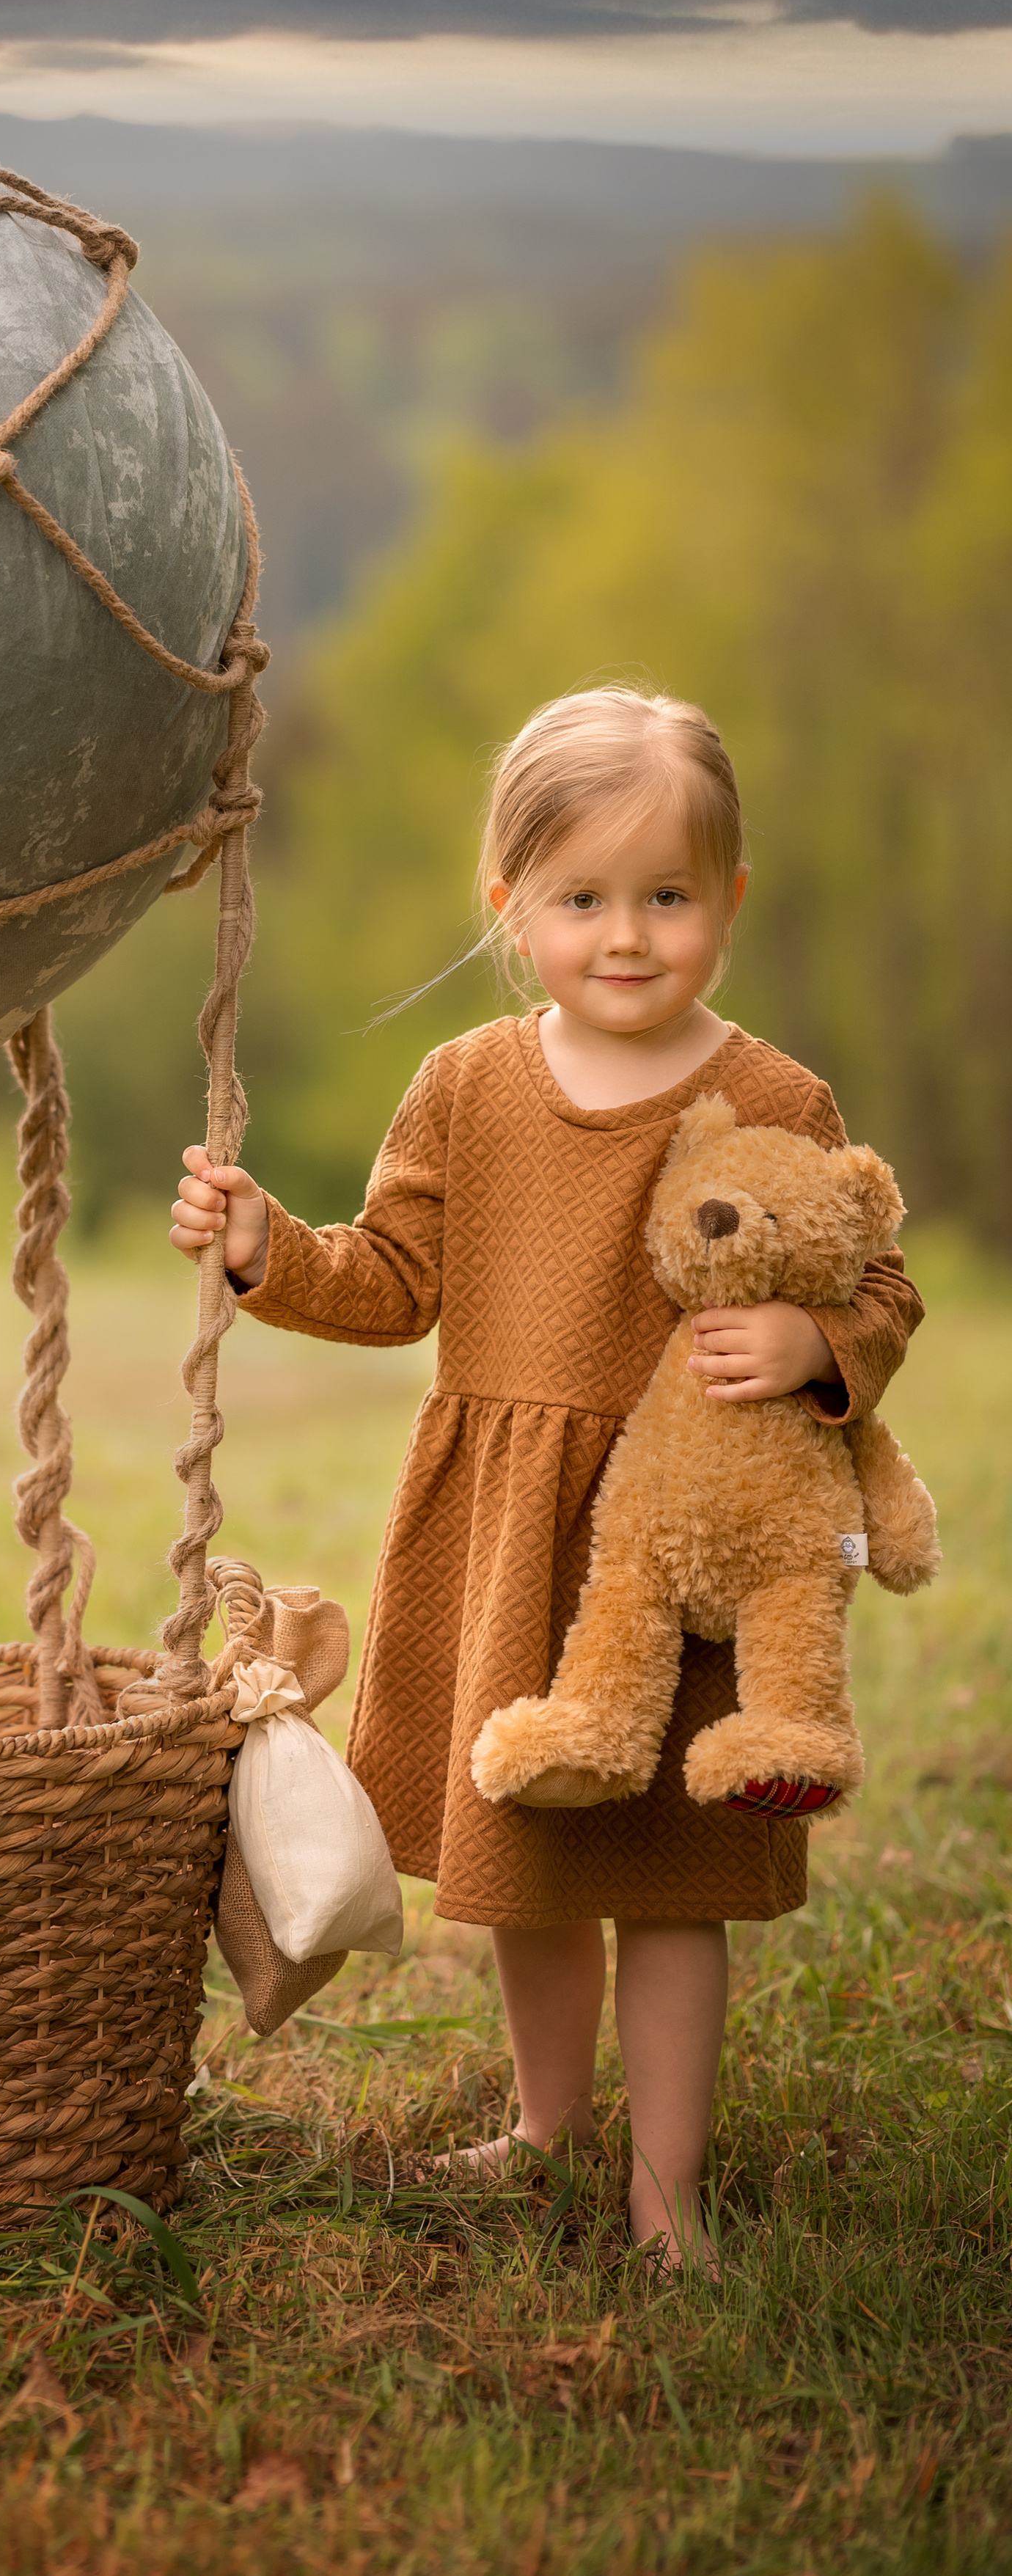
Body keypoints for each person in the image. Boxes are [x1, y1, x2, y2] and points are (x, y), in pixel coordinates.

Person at [169, 685, 922, 2268]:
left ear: (728, 898)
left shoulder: (776, 1100)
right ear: (510, 909)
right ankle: (539, 2127)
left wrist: (808, 1339)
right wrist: (264, 1251)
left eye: (665, 894)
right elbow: (388, 1276)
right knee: (527, 1865)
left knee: (664, 1880)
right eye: (582, 898)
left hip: (685, 1536)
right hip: (509, 1528)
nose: (626, 934)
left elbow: (879, 1287)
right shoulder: (466, 1085)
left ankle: (666, 2195)